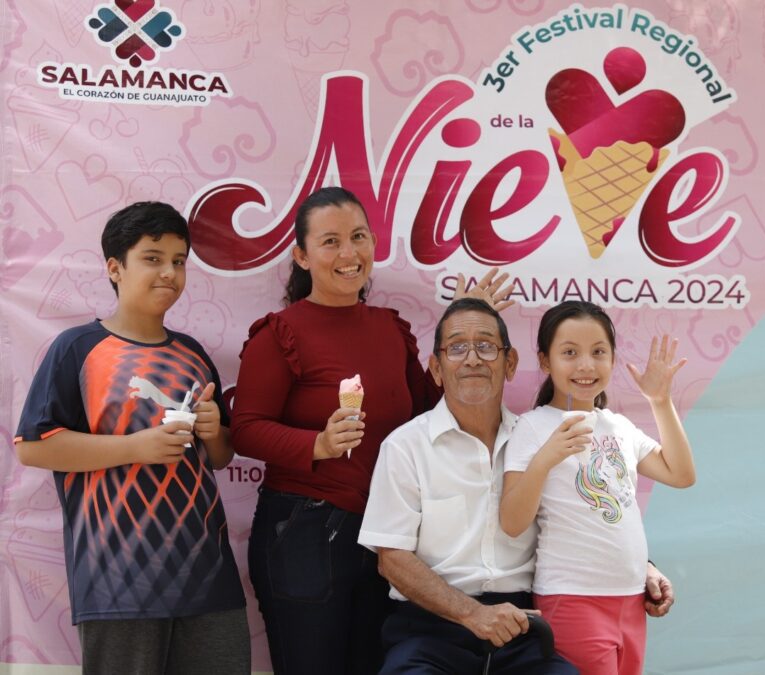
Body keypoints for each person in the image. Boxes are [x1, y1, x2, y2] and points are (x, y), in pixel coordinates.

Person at [231, 187, 511, 674]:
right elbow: (246, 431)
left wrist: (469, 324)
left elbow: (429, 408)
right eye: (331, 241)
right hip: (304, 532)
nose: (348, 254)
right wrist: (316, 443)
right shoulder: (281, 332)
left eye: (358, 237)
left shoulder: (388, 328)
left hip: (388, 538)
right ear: (302, 256)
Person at [358, 298, 675, 674]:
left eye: (487, 346)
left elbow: (583, 514)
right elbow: (392, 560)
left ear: (510, 364)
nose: (473, 358)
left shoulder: (544, 435)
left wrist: (645, 568)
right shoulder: (405, 445)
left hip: (523, 627)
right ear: (436, 368)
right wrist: (472, 614)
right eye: (457, 347)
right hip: (430, 629)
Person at [13, 201, 249, 675]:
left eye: (179, 261)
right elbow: (33, 447)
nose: (170, 273)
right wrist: (134, 447)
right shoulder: (77, 348)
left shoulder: (194, 353)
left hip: (209, 579)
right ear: (115, 268)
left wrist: (212, 429)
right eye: (153, 258)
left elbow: (220, 456)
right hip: (117, 582)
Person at [499, 300, 695, 675]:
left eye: (598, 352)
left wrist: (660, 400)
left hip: (632, 601)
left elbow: (681, 474)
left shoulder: (617, 426)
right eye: (569, 353)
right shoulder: (533, 427)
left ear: (613, 359)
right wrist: (546, 458)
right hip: (572, 599)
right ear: (545, 361)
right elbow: (512, 521)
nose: (586, 365)